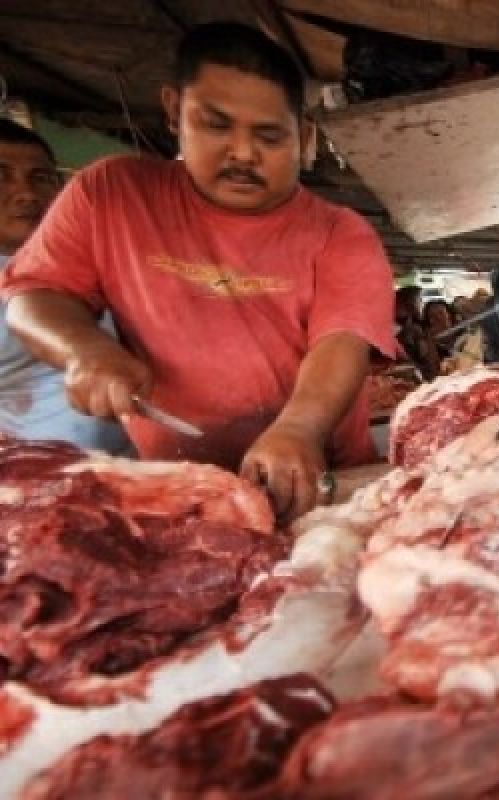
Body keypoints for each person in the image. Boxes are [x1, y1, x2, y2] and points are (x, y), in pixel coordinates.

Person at [0, 23, 396, 520]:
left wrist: (299, 428)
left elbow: (341, 340)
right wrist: (85, 350)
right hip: (176, 481)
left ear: (305, 135)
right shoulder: (110, 194)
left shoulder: (340, 231)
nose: (243, 153)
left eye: (270, 136)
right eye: (216, 125)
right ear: (173, 111)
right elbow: (36, 291)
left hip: (314, 469)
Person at [0, 119, 129, 451]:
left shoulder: (105, 257)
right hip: (31, 483)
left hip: (135, 471)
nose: (27, 194)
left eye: (40, 178)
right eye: (1, 175)